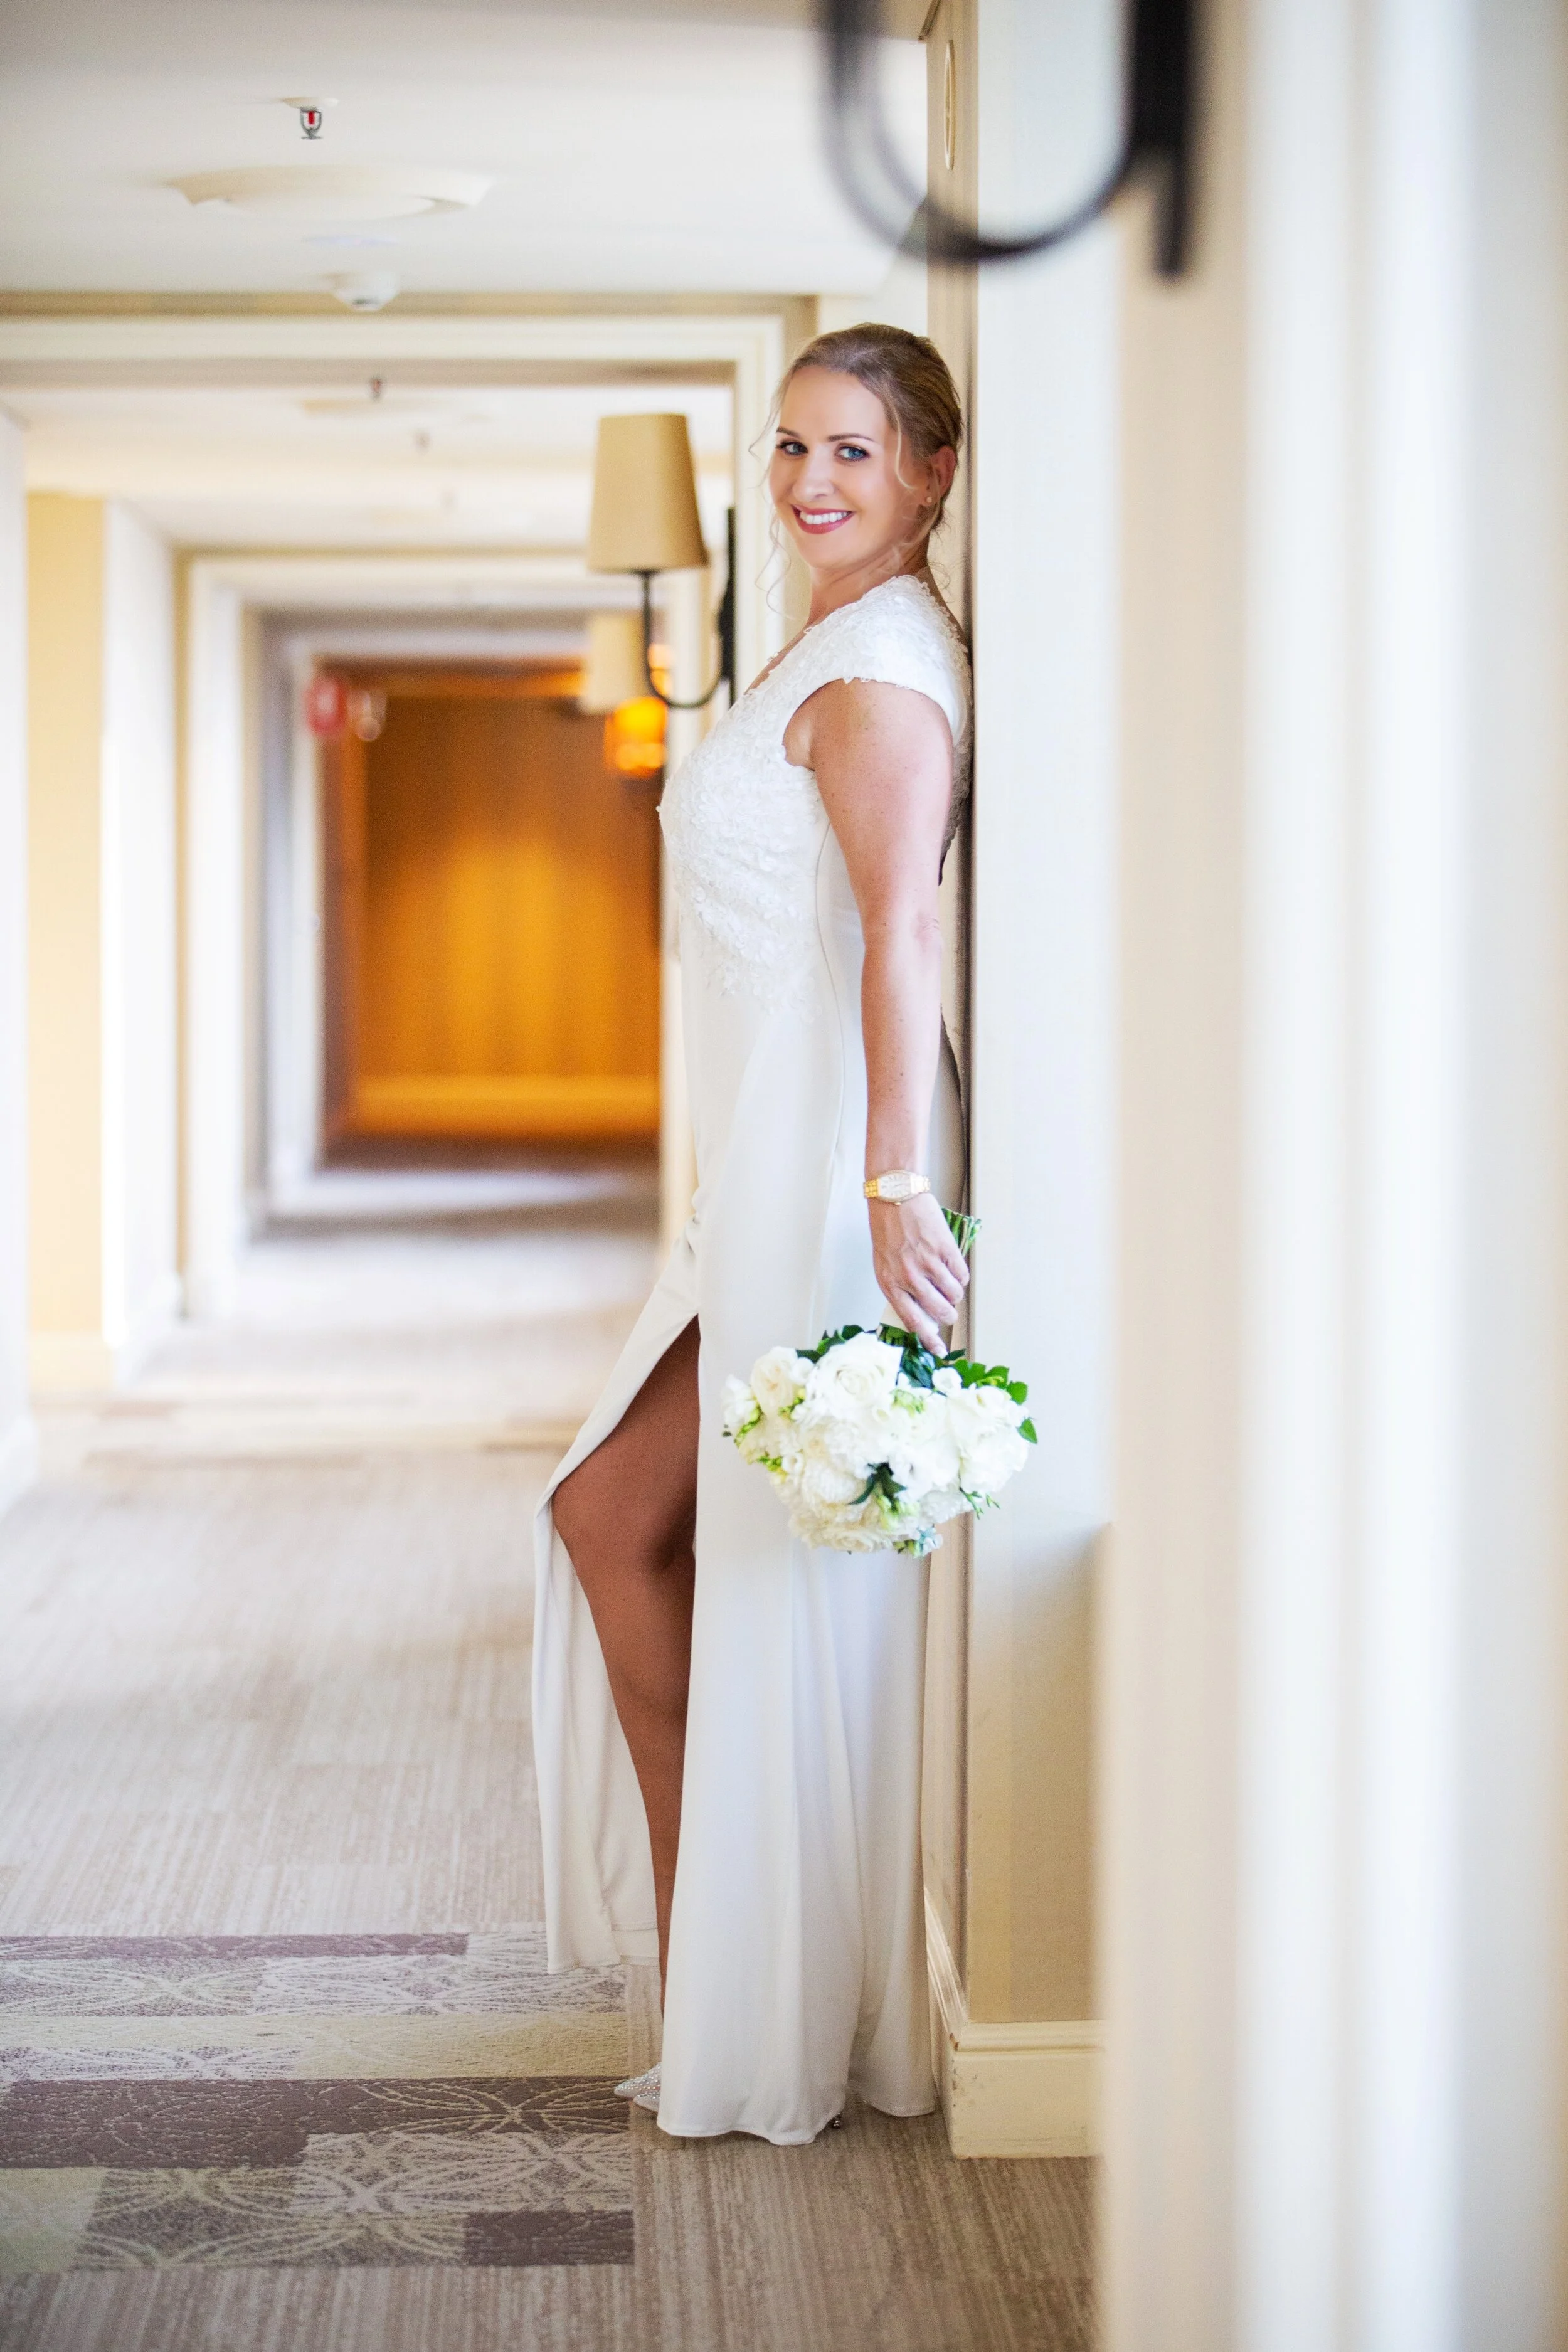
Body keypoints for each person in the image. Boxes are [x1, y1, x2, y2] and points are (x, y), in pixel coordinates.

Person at [535, 325, 972, 2144]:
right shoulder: (818, 637)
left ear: (930, 473)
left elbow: (900, 938)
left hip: (815, 1175)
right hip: (758, 1158)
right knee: (633, 1519)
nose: (812, 481)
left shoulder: (883, 671)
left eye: (854, 452)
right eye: (794, 446)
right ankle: (716, 1952)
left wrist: (883, 1187)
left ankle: (741, 1970)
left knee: (625, 1514)